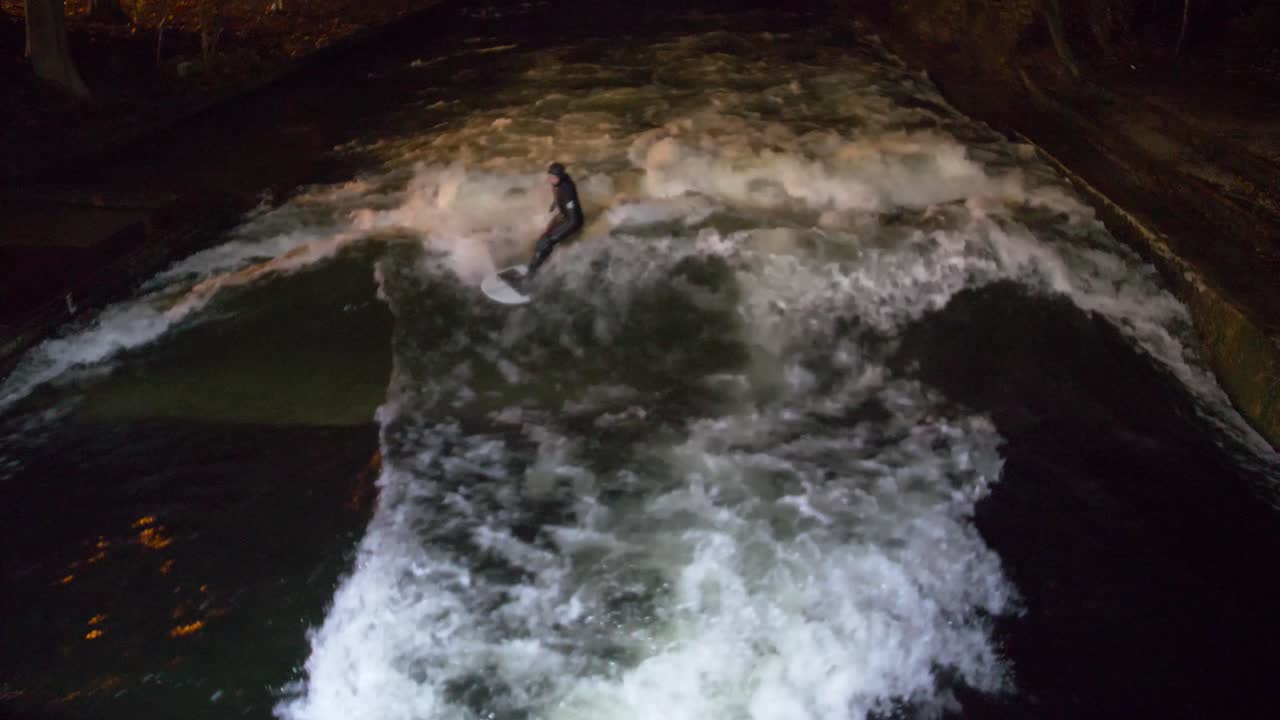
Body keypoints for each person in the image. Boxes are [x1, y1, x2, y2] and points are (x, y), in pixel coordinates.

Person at [523, 162, 584, 282]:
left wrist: (553, 237)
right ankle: (542, 264)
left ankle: (530, 278)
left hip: (572, 221)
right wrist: (555, 203)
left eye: (554, 177)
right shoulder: (558, 182)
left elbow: (574, 219)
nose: (551, 179)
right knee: (543, 238)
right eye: (550, 176)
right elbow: (558, 194)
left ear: (561, 177)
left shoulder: (567, 190)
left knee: (546, 241)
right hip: (563, 216)